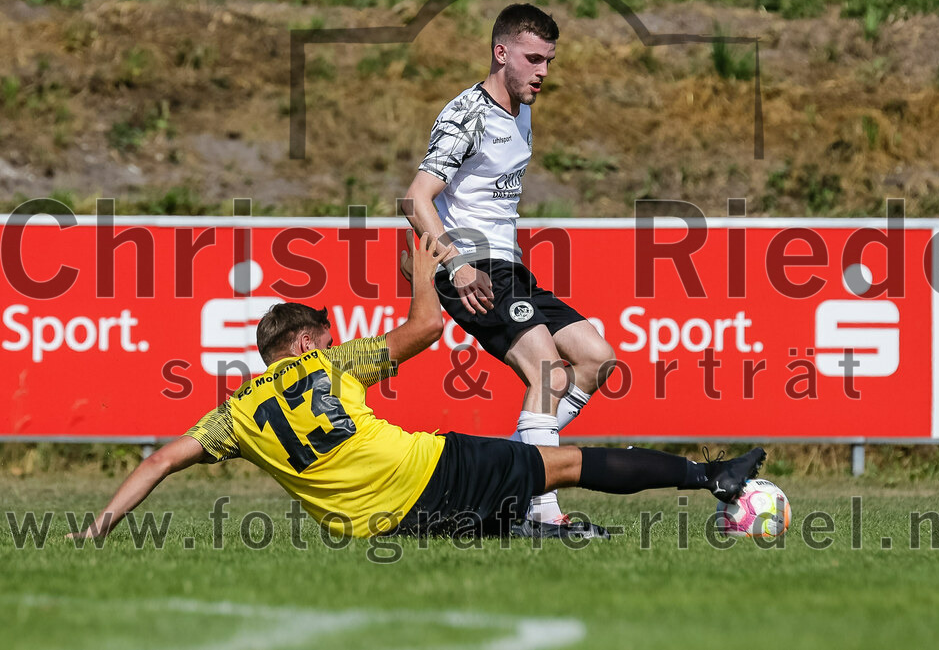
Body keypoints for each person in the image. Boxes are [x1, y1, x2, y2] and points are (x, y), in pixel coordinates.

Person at [69, 231, 766, 542]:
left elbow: (158, 458)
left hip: (378, 524)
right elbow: (428, 329)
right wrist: (419, 268)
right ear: (304, 341)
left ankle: (539, 532)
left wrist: (100, 526)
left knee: (499, 514)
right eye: (321, 329)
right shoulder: (328, 365)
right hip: (425, 471)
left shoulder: (237, 413)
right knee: (565, 462)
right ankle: (712, 477)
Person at [403, 3, 618, 530]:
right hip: (472, 269)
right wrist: (454, 264)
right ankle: (541, 511)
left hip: (510, 268)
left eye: (549, 60)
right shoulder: (466, 115)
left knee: (596, 358)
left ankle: (506, 470)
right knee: (546, 372)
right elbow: (415, 199)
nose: (543, 71)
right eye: (533, 58)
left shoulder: (521, 107)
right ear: (501, 53)